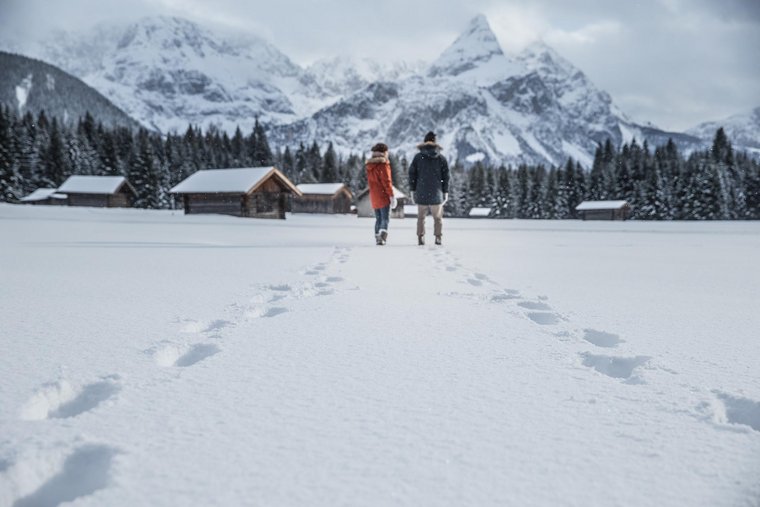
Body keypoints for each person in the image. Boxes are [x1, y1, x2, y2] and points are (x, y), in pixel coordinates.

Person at [408, 131, 449, 245]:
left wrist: (413, 190)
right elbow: (446, 177)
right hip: (437, 193)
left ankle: (421, 237)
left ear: (425, 141)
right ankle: (438, 237)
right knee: (438, 218)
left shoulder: (417, 157)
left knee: (421, 218)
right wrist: (445, 191)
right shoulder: (441, 158)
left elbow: (412, 175)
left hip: (421, 192)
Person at [365, 142, 397, 245]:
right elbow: (387, 182)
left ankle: (377, 236)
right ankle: (382, 237)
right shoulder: (383, 165)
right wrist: (391, 196)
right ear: (384, 152)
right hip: (383, 196)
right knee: (385, 218)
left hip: (374, 196)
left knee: (378, 218)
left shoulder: (370, 166)